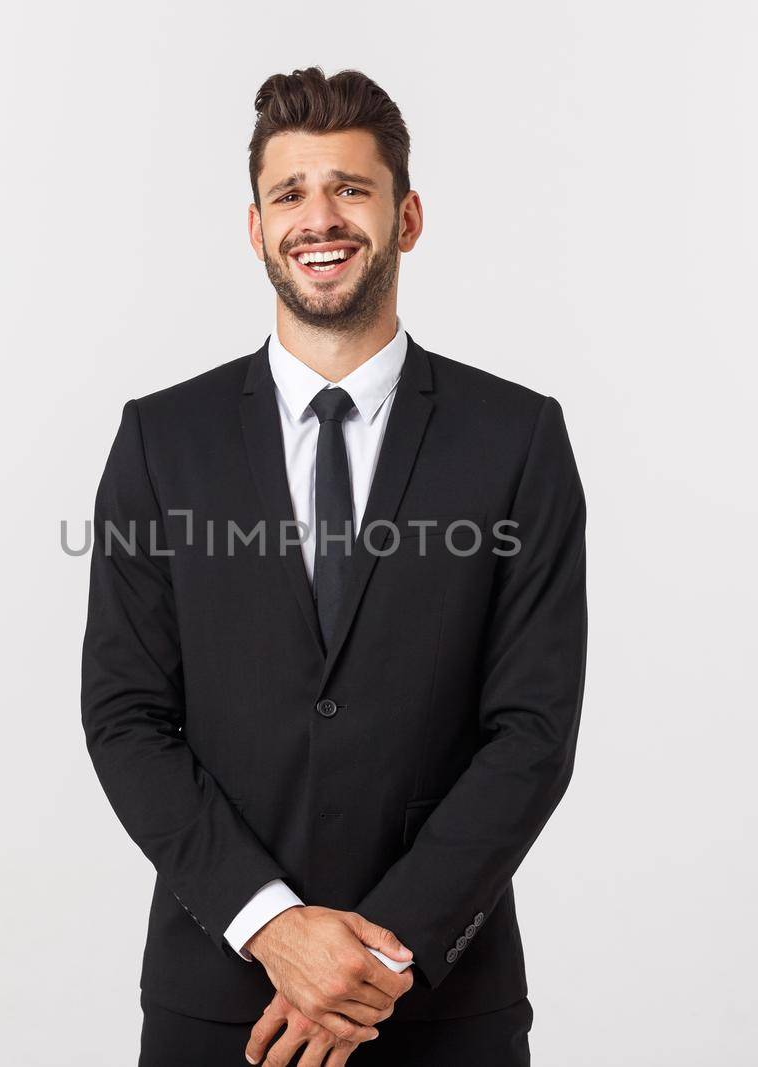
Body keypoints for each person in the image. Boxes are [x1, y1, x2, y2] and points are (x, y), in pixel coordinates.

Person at [81, 65, 587, 1066]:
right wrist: (272, 924)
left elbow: (531, 730)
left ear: (406, 217)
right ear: (257, 228)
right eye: (290, 194)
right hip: (222, 1003)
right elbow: (126, 714)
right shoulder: (160, 441)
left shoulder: (516, 440)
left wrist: (373, 959)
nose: (320, 217)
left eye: (350, 189)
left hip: (440, 1006)